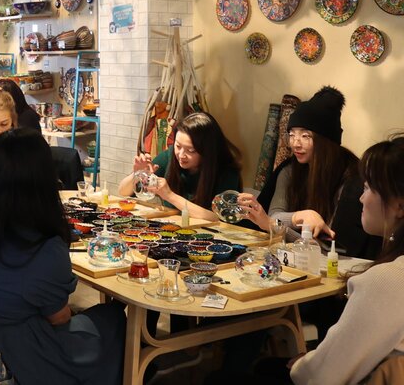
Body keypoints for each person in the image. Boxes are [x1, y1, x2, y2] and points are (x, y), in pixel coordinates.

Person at [0, 128, 126, 384]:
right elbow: (59, 317)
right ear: (46, 178)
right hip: (16, 356)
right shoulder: (45, 243)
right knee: (113, 319)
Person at [248, 135, 404, 385]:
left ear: (399, 206)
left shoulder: (385, 282)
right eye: (292, 134)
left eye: (367, 188)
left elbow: (322, 375)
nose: (361, 199)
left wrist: (303, 361)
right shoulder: (288, 171)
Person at [240, 86, 380, 258]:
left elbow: (334, 248)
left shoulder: (353, 179)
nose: (295, 144)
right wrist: (301, 216)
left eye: (305, 136)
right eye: (292, 134)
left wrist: (275, 226)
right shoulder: (289, 169)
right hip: (293, 260)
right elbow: (275, 214)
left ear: (326, 140)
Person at [119, 111, 242, 220]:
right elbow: (123, 191)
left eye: (191, 150)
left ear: (208, 151)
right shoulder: (170, 156)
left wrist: (170, 196)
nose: (181, 155)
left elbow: (217, 218)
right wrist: (137, 174)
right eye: (178, 146)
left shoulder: (227, 172)